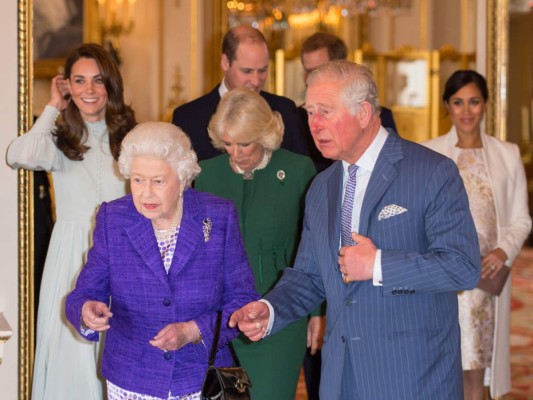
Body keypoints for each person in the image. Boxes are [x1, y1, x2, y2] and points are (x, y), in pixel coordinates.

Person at [229, 60, 482, 400]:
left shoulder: (432, 172)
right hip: (341, 377)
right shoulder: (321, 188)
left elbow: (462, 267)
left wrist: (378, 264)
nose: (314, 124)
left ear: (364, 113)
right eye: (310, 112)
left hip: (412, 376)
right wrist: (271, 309)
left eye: (326, 111)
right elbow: (309, 276)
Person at [65, 121, 259, 400]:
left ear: (182, 179)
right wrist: (86, 309)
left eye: (158, 181)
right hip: (132, 377)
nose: (146, 193)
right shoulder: (113, 218)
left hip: (200, 378)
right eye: (137, 180)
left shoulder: (217, 216)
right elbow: (83, 293)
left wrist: (193, 330)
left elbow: (242, 299)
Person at [6, 43, 137, 400]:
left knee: (115, 347)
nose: (89, 90)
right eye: (79, 81)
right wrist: (52, 106)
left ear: (110, 84)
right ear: (69, 87)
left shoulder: (130, 138)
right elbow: (18, 155)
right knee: (71, 353)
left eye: (97, 80)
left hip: (121, 252)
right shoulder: (59, 139)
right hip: (70, 255)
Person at [194, 88, 316, 400]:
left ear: (265, 134)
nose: (235, 152)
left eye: (244, 143)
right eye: (228, 143)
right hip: (224, 320)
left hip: (281, 315)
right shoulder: (207, 175)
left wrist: (318, 312)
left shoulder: (299, 170)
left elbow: (313, 247)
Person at [423, 70, 531, 400]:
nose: (466, 111)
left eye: (474, 102)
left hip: (487, 276)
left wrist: (503, 253)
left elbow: (521, 219)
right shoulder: (430, 153)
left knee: (477, 370)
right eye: (458, 103)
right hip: (446, 277)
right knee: (444, 366)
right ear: (447, 106)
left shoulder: (507, 154)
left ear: (485, 105)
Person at [172, 24, 308, 162]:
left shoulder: (285, 110)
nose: (256, 81)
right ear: (225, 62)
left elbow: (301, 172)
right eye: (247, 71)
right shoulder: (187, 118)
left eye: (262, 70)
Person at [299, 32, 397, 172]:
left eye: (319, 70)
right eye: (307, 71)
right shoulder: (295, 117)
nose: (311, 77)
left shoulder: (379, 116)